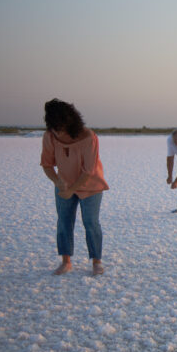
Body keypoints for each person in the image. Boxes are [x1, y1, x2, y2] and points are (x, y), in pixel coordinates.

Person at [40, 98, 109, 276]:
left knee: (91, 222)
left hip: (91, 185)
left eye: (61, 129)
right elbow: (47, 164)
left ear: (70, 124)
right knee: (63, 222)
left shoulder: (88, 137)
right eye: (55, 129)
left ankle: (96, 261)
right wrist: (58, 182)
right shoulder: (49, 136)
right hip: (64, 185)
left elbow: (88, 171)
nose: (58, 133)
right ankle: (66, 261)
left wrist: (71, 189)